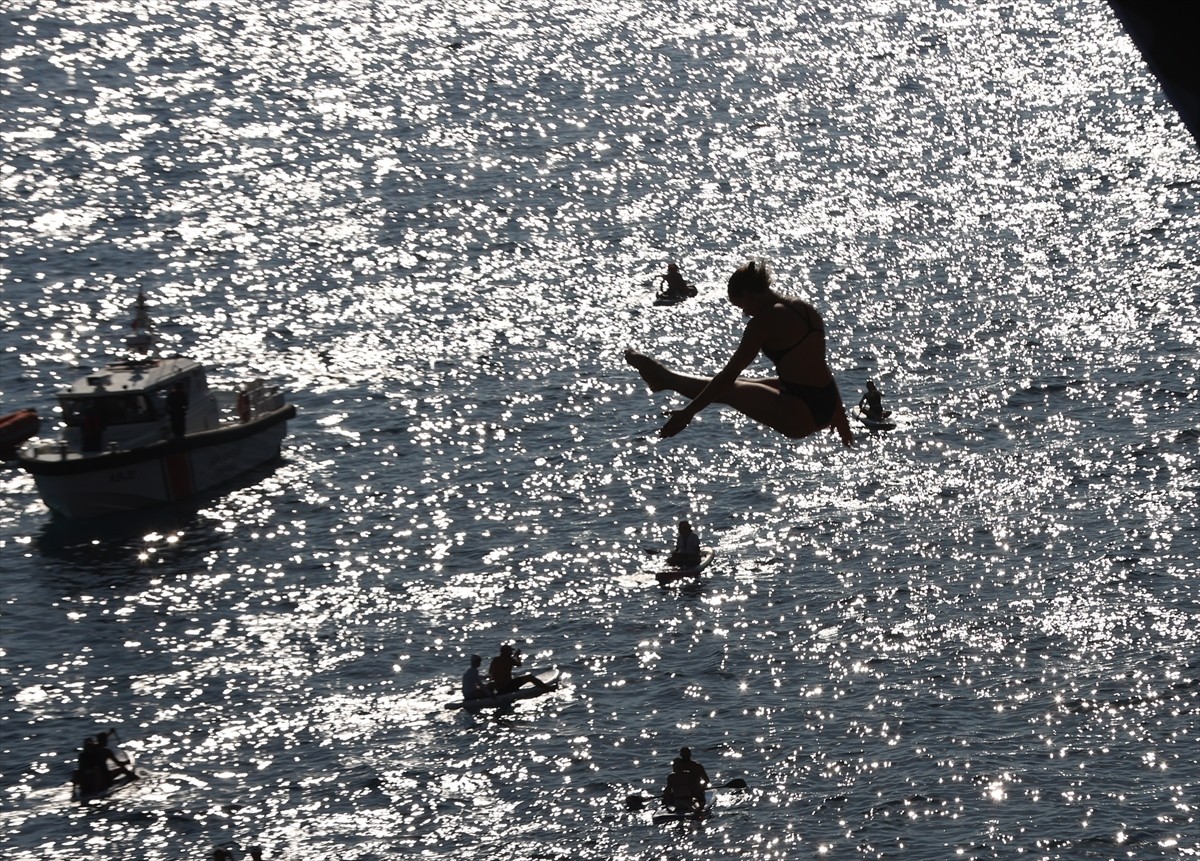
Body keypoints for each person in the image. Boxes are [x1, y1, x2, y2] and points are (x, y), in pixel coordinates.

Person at [626, 259, 854, 446]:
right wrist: (840, 415)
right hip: (825, 402)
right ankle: (663, 378)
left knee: (730, 388)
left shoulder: (764, 321)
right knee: (747, 383)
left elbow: (728, 376)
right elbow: (819, 368)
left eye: (742, 306)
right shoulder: (804, 309)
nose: (745, 314)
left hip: (799, 414)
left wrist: (687, 414)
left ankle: (664, 377)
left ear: (750, 295)